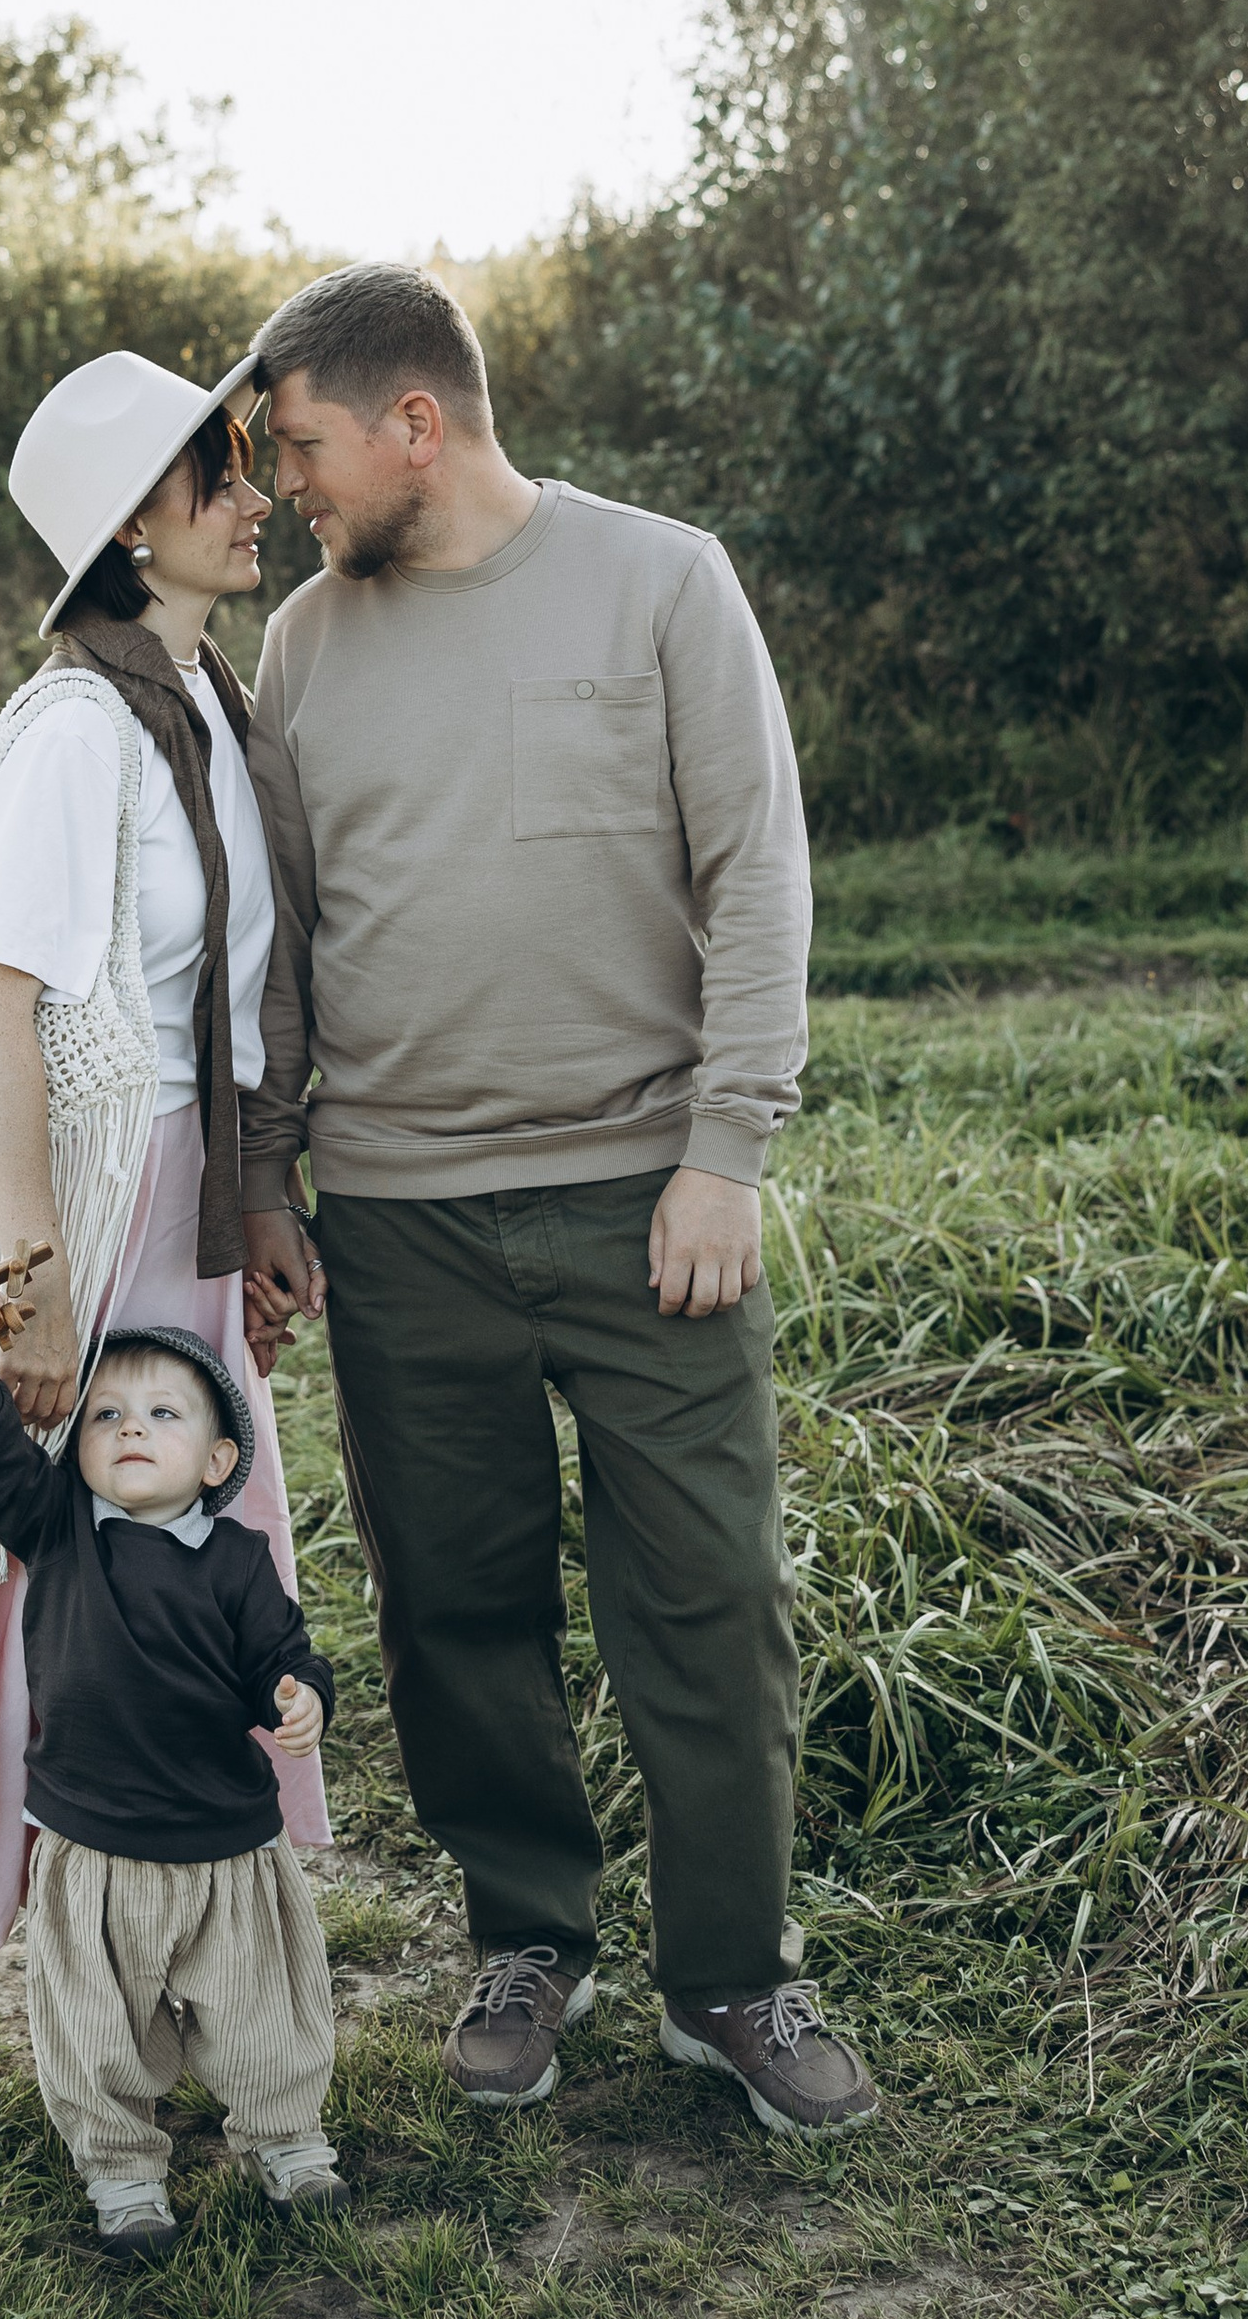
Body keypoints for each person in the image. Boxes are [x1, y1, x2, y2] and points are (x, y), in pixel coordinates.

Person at [236, 259, 877, 2138]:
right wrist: (270, 1169)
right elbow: (275, 945)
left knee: (710, 1593)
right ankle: (530, 1933)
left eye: (306, 450)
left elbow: (757, 870)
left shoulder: (662, 580)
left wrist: (725, 1148)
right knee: (456, 1603)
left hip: (642, 1203)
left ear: (415, 423)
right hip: (407, 1212)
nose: (288, 490)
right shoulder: (300, 648)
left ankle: (734, 1978)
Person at [0, 346, 329, 2107]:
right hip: (45, 1207)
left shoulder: (214, 713)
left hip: (161, 1194)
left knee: (162, 1562)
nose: (253, 494)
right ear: (129, 531)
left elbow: (223, 1011)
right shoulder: (82, 732)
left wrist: (257, 1206)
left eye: (245, 463)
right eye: (215, 474)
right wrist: (28, 1284)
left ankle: (156, 1973)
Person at [0, 1323, 340, 2255]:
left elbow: (282, 1656)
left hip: (226, 1842)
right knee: (94, 2020)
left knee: (261, 2007)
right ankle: (121, 2170)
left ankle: (285, 2136)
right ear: (78, 1443)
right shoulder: (62, 1529)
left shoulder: (238, 1560)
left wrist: (300, 1696)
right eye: (107, 1414)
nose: (131, 1429)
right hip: (96, 1842)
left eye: (163, 1414)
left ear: (216, 1459)